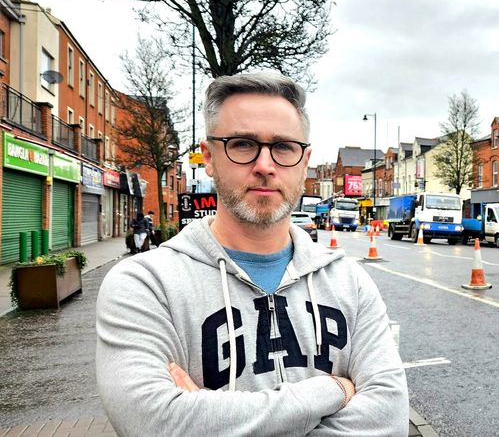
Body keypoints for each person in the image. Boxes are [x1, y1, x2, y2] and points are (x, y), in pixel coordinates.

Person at [96, 73, 408, 435]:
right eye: (242, 144)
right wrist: (331, 391)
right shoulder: (146, 285)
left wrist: (205, 419)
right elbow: (151, 423)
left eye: (283, 147)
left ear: (304, 161)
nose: (264, 164)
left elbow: (390, 421)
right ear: (210, 157)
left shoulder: (349, 282)